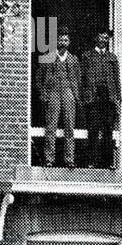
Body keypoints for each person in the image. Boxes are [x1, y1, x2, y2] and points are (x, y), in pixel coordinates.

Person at [38, 28, 82, 168]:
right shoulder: (48, 56)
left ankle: (70, 159)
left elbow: (78, 79)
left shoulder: (74, 59)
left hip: (68, 92)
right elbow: (38, 78)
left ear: (69, 42)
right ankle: (49, 159)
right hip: (53, 92)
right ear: (56, 41)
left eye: (66, 40)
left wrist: (76, 95)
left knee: (70, 126)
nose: (63, 42)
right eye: (61, 39)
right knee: (51, 126)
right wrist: (43, 92)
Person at [81, 28, 121, 169]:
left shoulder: (112, 58)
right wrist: (84, 97)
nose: (104, 40)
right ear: (96, 38)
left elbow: (116, 79)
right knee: (93, 129)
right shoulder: (87, 56)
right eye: (101, 37)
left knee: (107, 130)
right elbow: (82, 79)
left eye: (106, 38)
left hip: (108, 97)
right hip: (93, 97)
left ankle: (107, 162)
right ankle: (91, 161)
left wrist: (117, 97)